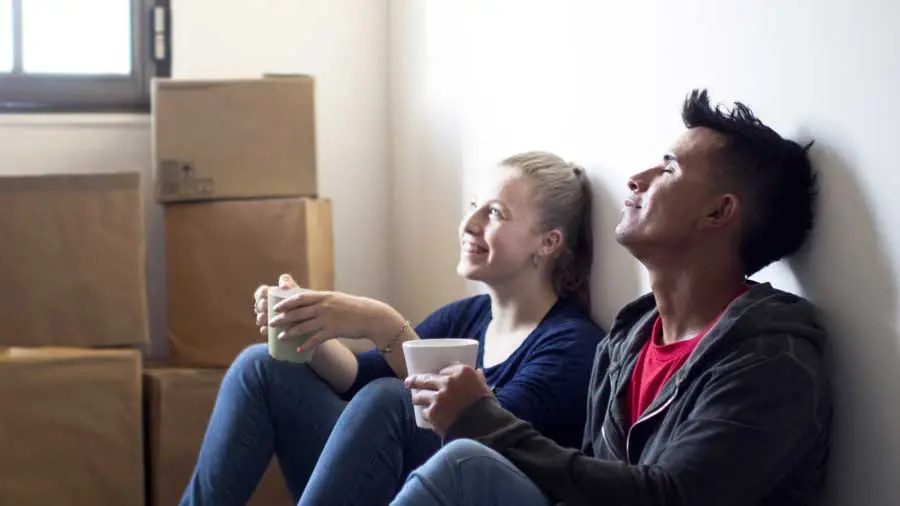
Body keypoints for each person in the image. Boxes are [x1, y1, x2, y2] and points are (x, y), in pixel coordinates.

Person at [393, 90, 832, 506]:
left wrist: (483, 420)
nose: (637, 179)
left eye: (669, 169)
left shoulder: (773, 360)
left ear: (718, 212)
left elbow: (671, 498)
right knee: (402, 417)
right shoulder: (628, 339)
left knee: (462, 465)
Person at [180, 151, 606, 506]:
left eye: (494, 213)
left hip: (465, 491)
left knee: (394, 400)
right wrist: (307, 326)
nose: (470, 223)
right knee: (264, 366)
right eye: (473, 205)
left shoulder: (572, 344)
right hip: (392, 479)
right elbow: (356, 382)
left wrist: (378, 321)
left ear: (548, 243)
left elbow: (482, 429)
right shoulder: (467, 317)